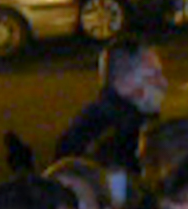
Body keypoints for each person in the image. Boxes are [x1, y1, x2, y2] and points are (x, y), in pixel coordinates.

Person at [55, 39, 169, 177]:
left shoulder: (139, 118)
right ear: (124, 81)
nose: (164, 83)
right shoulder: (105, 136)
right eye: (154, 76)